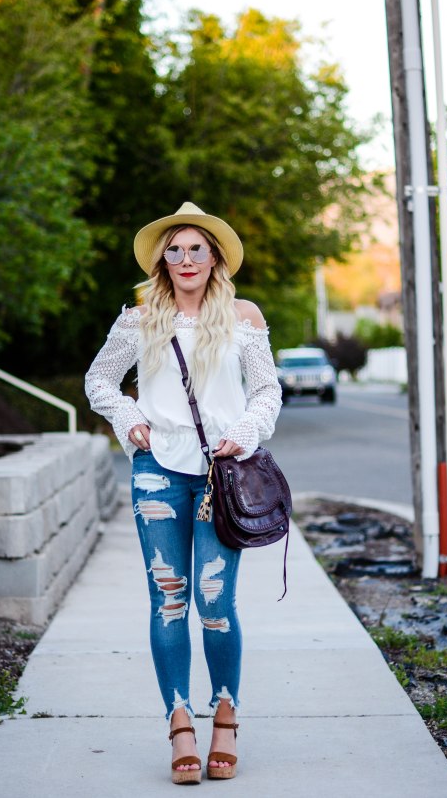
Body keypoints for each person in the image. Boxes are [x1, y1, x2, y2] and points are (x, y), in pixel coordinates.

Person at [85, 202, 282, 784]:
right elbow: (99, 380)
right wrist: (130, 421)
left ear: (215, 257)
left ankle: (225, 714)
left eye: (197, 248)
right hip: (157, 473)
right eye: (175, 249)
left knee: (214, 602)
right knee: (169, 600)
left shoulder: (243, 316)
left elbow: (267, 391)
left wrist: (245, 432)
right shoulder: (140, 319)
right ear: (163, 260)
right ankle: (179, 724)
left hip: (222, 473)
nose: (186, 258)